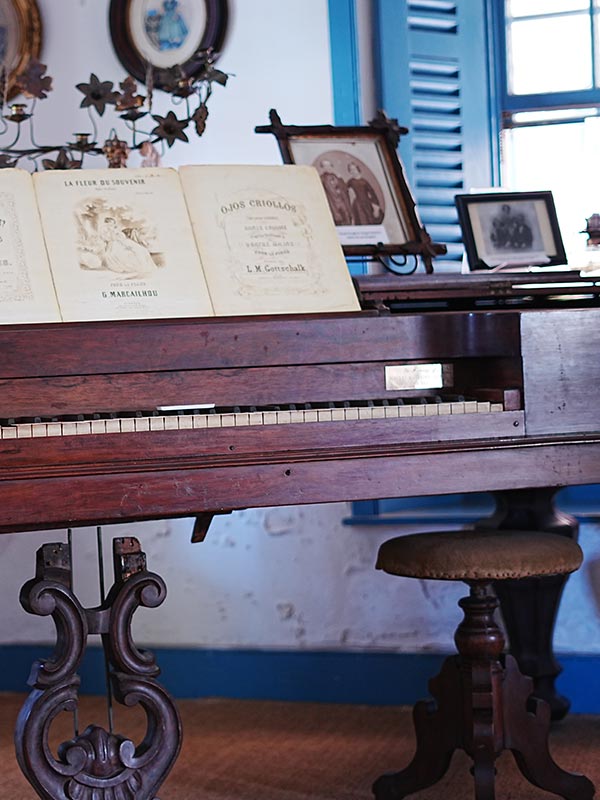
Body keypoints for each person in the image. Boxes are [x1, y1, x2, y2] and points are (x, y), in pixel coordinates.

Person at [317, 158, 352, 225]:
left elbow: (345, 189)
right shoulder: (321, 178)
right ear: (323, 168)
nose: (328, 167)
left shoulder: (337, 177)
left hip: (342, 202)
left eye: (329, 165)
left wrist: (340, 179)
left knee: (347, 219)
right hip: (332, 204)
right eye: (325, 166)